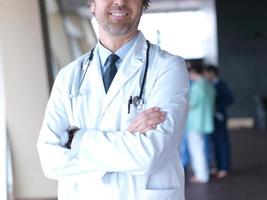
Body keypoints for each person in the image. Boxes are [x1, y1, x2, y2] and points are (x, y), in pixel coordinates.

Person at [37, 0, 189, 199]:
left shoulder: (168, 68)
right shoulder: (68, 76)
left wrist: (76, 138)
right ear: (91, 3)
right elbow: (50, 161)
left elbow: (148, 154)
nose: (119, 1)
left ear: (143, 3)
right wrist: (128, 140)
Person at [186, 64, 215, 183]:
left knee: (196, 149)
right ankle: (204, 173)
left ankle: (201, 175)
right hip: (205, 120)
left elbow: (191, 104)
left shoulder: (197, 86)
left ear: (193, 73)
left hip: (195, 122)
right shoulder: (208, 85)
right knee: (202, 148)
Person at [205, 65, 233, 179]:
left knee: (222, 143)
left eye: (207, 73)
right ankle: (219, 166)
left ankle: (224, 168)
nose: (206, 76)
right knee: (215, 143)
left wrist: (217, 106)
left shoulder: (221, 84)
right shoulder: (209, 85)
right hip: (212, 119)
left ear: (212, 73)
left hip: (219, 117)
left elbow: (230, 99)